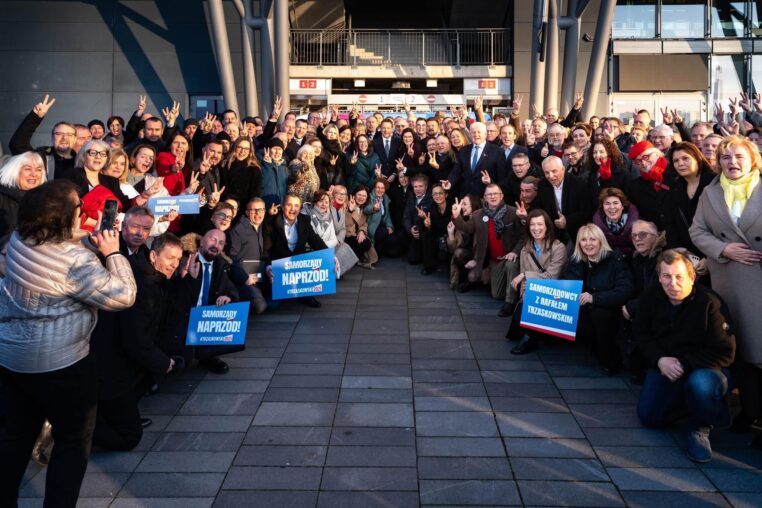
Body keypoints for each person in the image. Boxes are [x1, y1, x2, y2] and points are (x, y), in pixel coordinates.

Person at [0, 180, 136, 506]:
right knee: (73, 442)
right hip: (63, 364)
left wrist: (91, 240)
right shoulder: (76, 263)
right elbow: (123, 295)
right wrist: (113, 252)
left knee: (15, 439)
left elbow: (57, 247)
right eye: (79, 208)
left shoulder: (19, 240)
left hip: (13, 360)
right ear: (66, 217)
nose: (83, 212)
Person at [690, 135, 762, 443]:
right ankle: (750, 410)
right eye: (725, 157)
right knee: (741, 351)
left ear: (753, 160)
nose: (731, 162)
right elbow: (697, 229)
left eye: (738, 156)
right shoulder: (711, 192)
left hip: (758, 275)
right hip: (729, 279)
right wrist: (723, 249)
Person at [635, 249, 735, 463]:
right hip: (666, 365)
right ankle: (700, 406)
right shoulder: (651, 296)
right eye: (666, 276)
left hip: (705, 367)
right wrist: (659, 359)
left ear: (692, 276)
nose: (673, 283)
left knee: (702, 385)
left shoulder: (710, 302)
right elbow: (641, 334)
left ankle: (700, 426)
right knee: (649, 417)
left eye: (679, 276)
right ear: (659, 277)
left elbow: (725, 352)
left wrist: (685, 363)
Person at [91, 233, 184, 451]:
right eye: (170, 258)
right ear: (153, 256)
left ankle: (106, 416)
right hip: (111, 370)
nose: (175, 264)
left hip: (123, 365)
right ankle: (70, 428)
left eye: (178, 259)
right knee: (130, 437)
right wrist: (163, 363)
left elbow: (167, 319)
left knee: (151, 374)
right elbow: (135, 341)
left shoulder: (152, 278)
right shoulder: (142, 286)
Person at [562, 223, 634, 374]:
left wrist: (595, 298)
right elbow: (567, 285)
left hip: (610, 313)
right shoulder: (577, 262)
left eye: (592, 239)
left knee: (600, 315)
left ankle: (610, 360)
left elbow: (625, 290)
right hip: (584, 311)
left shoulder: (616, 261)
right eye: (583, 240)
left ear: (601, 241)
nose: (588, 244)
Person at [452, 184, 522, 316]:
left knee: (511, 265)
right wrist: (456, 217)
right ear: (484, 197)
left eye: (496, 193)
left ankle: (510, 303)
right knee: (496, 295)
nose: (493, 196)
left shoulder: (512, 212)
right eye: (489, 194)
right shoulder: (479, 215)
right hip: (494, 260)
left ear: (502, 196)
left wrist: (515, 252)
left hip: (510, 257)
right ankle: (509, 292)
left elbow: (524, 236)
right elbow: (468, 228)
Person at [508, 209, 568, 354]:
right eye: (532, 225)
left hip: (553, 294)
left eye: (540, 224)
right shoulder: (525, 249)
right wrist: (524, 297)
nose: (536, 228)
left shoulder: (558, 247)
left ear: (547, 226)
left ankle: (531, 339)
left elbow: (551, 277)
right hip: (532, 292)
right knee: (519, 318)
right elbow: (524, 281)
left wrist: (525, 275)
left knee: (529, 326)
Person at [264, 194, 328, 308]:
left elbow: (316, 240)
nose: (293, 209)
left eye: (296, 205)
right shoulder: (271, 223)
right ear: (282, 207)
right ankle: (286, 290)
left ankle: (306, 294)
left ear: (300, 208)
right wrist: (268, 267)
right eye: (289, 205)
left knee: (314, 258)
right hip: (280, 265)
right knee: (272, 305)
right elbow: (266, 250)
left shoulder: (304, 220)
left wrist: (331, 256)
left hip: (298, 264)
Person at [663, 142, 714, 269]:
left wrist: (710, 259)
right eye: (676, 161)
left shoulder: (714, 182)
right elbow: (671, 224)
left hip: (714, 254)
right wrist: (687, 256)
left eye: (685, 158)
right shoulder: (674, 187)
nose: (680, 164)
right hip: (688, 256)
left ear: (697, 158)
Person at [8, 95, 77, 180]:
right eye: (59, 133)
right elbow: (17, 145)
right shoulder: (40, 158)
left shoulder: (82, 161)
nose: (64, 137)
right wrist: (35, 117)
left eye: (69, 134)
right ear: (52, 138)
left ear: (75, 139)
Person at [0, 151, 46, 263]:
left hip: (38, 264)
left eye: (39, 169)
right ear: (15, 171)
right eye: (27, 169)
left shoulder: (47, 200)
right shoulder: (2, 197)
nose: (34, 174)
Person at [534, 156, 592, 244]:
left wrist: (567, 221)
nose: (550, 176)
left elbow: (587, 212)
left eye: (554, 171)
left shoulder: (578, 184)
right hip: (552, 235)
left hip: (576, 234)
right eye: (546, 173)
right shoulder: (542, 185)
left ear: (563, 169)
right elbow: (539, 209)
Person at [228, 198, 269, 315]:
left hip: (261, 275)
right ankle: (236, 301)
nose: (258, 213)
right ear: (246, 212)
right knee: (260, 306)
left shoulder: (264, 226)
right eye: (254, 210)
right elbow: (231, 258)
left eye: (261, 210)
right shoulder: (238, 230)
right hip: (245, 278)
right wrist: (244, 278)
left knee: (273, 304)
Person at [446, 122, 506, 197]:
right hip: (466, 196)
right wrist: (449, 182)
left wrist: (490, 182)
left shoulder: (497, 151)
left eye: (479, 132)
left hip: (486, 196)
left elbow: (502, 177)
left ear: (485, 134)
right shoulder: (464, 150)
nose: (476, 135)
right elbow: (456, 171)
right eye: (473, 132)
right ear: (470, 134)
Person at [627, 140, 670, 230]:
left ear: (657, 154)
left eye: (645, 157)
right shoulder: (635, 186)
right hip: (654, 235)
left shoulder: (675, 173)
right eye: (637, 161)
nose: (642, 162)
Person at [591, 187, 639, 258]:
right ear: (602, 207)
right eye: (607, 204)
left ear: (623, 206)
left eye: (615, 203)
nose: (612, 207)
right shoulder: (595, 228)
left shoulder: (638, 225)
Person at [419, 182, 452, 275]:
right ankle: (429, 266)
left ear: (446, 194)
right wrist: (428, 225)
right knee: (426, 234)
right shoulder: (430, 208)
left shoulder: (453, 207)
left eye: (440, 193)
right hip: (438, 236)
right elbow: (431, 229)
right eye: (435, 194)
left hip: (451, 236)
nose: (438, 196)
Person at [345, 186, 377, 268]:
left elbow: (364, 223)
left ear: (367, 198)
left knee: (366, 243)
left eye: (364, 196)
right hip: (346, 236)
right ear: (354, 195)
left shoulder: (363, 209)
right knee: (365, 243)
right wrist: (350, 210)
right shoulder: (347, 204)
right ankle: (351, 258)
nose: (361, 198)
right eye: (359, 195)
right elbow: (345, 223)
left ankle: (354, 258)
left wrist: (361, 231)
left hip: (355, 235)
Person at [366, 178, 399, 258]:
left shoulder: (385, 198)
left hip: (381, 225)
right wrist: (373, 208)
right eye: (378, 187)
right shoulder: (370, 197)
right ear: (374, 188)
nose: (380, 190)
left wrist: (389, 226)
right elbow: (365, 209)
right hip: (371, 226)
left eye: (382, 188)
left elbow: (387, 216)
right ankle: (375, 251)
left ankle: (382, 250)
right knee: (383, 232)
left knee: (393, 240)